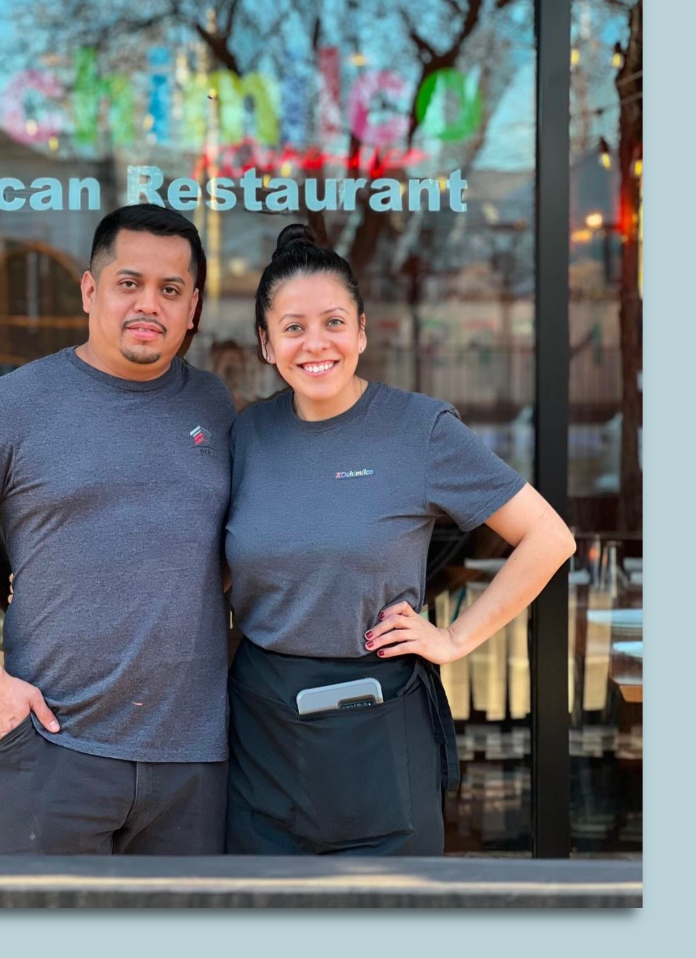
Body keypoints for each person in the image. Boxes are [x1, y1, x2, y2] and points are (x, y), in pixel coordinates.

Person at [223, 224, 577, 855]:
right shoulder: (248, 436)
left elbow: (549, 538)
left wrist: (456, 638)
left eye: (333, 322)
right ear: (266, 344)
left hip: (378, 720)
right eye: (293, 327)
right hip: (262, 732)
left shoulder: (419, 429)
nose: (315, 344)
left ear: (361, 329)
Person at [0, 204, 237, 855]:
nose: (149, 305)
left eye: (170, 290)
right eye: (128, 283)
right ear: (90, 290)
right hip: (55, 749)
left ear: (192, 307)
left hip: (191, 764)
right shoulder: (14, 404)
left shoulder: (214, 406)